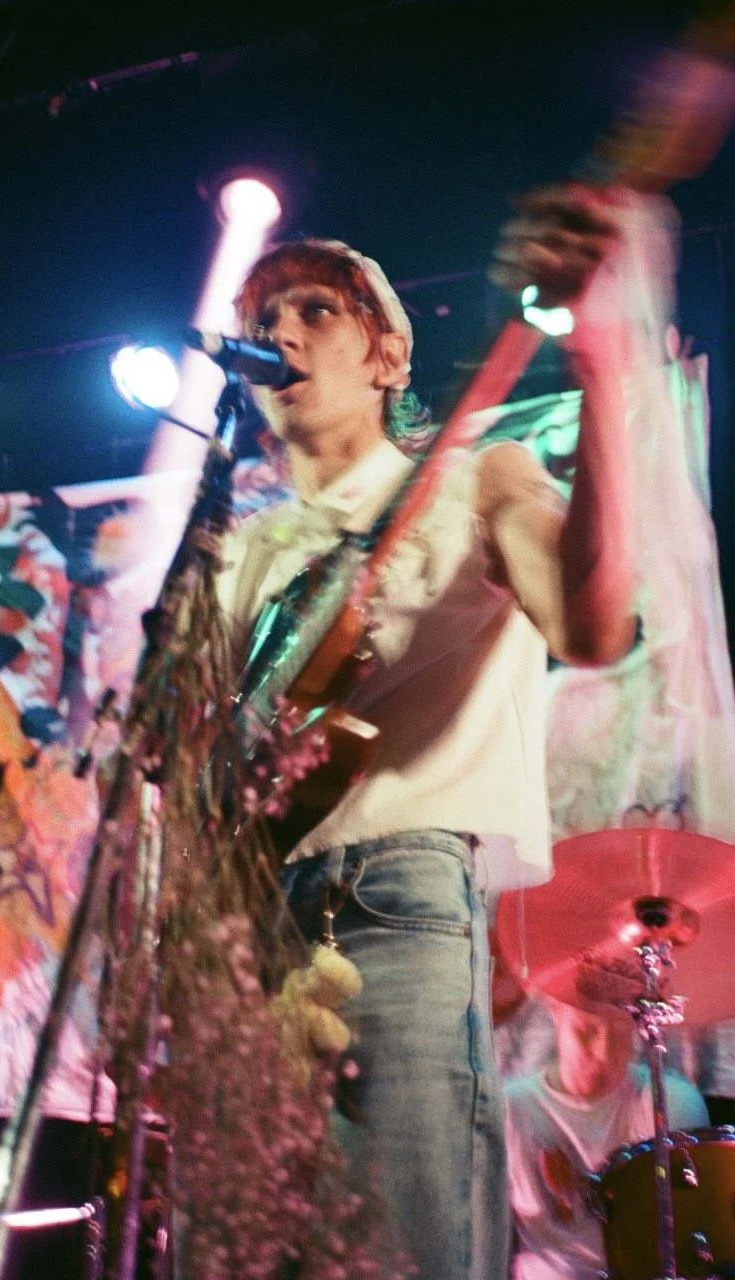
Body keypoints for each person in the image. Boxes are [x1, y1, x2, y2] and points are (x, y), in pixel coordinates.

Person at [216, 185, 644, 1280]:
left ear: (389, 356)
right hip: (252, 935)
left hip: (395, 900)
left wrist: (598, 367)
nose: (280, 334)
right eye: (264, 320)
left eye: (315, 310)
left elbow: (592, 625)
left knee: (412, 1247)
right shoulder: (240, 555)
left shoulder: (476, 480)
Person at [504, 999, 709, 1280]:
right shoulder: (511, 1109)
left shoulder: (672, 1103)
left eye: (618, 1032)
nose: (603, 1053)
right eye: (586, 1031)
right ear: (555, 1012)